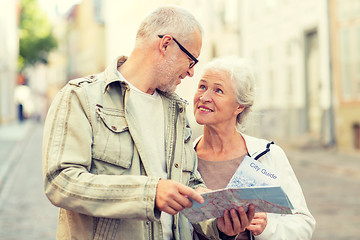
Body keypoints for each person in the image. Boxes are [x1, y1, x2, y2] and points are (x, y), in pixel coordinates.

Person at [42, 6, 207, 240]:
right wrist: (149, 194)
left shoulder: (177, 111)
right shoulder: (81, 97)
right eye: (191, 60)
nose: (191, 73)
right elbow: (60, 181)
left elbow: (189, 184)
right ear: (166, 44)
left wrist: (219, 222)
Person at [192, 56, 316, 240]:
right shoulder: (183, 157)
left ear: (239, 106)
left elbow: (303, 224)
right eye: (202, 86)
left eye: (218, 90)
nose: (204, 97)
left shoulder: (268, 155)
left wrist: (267, 228)